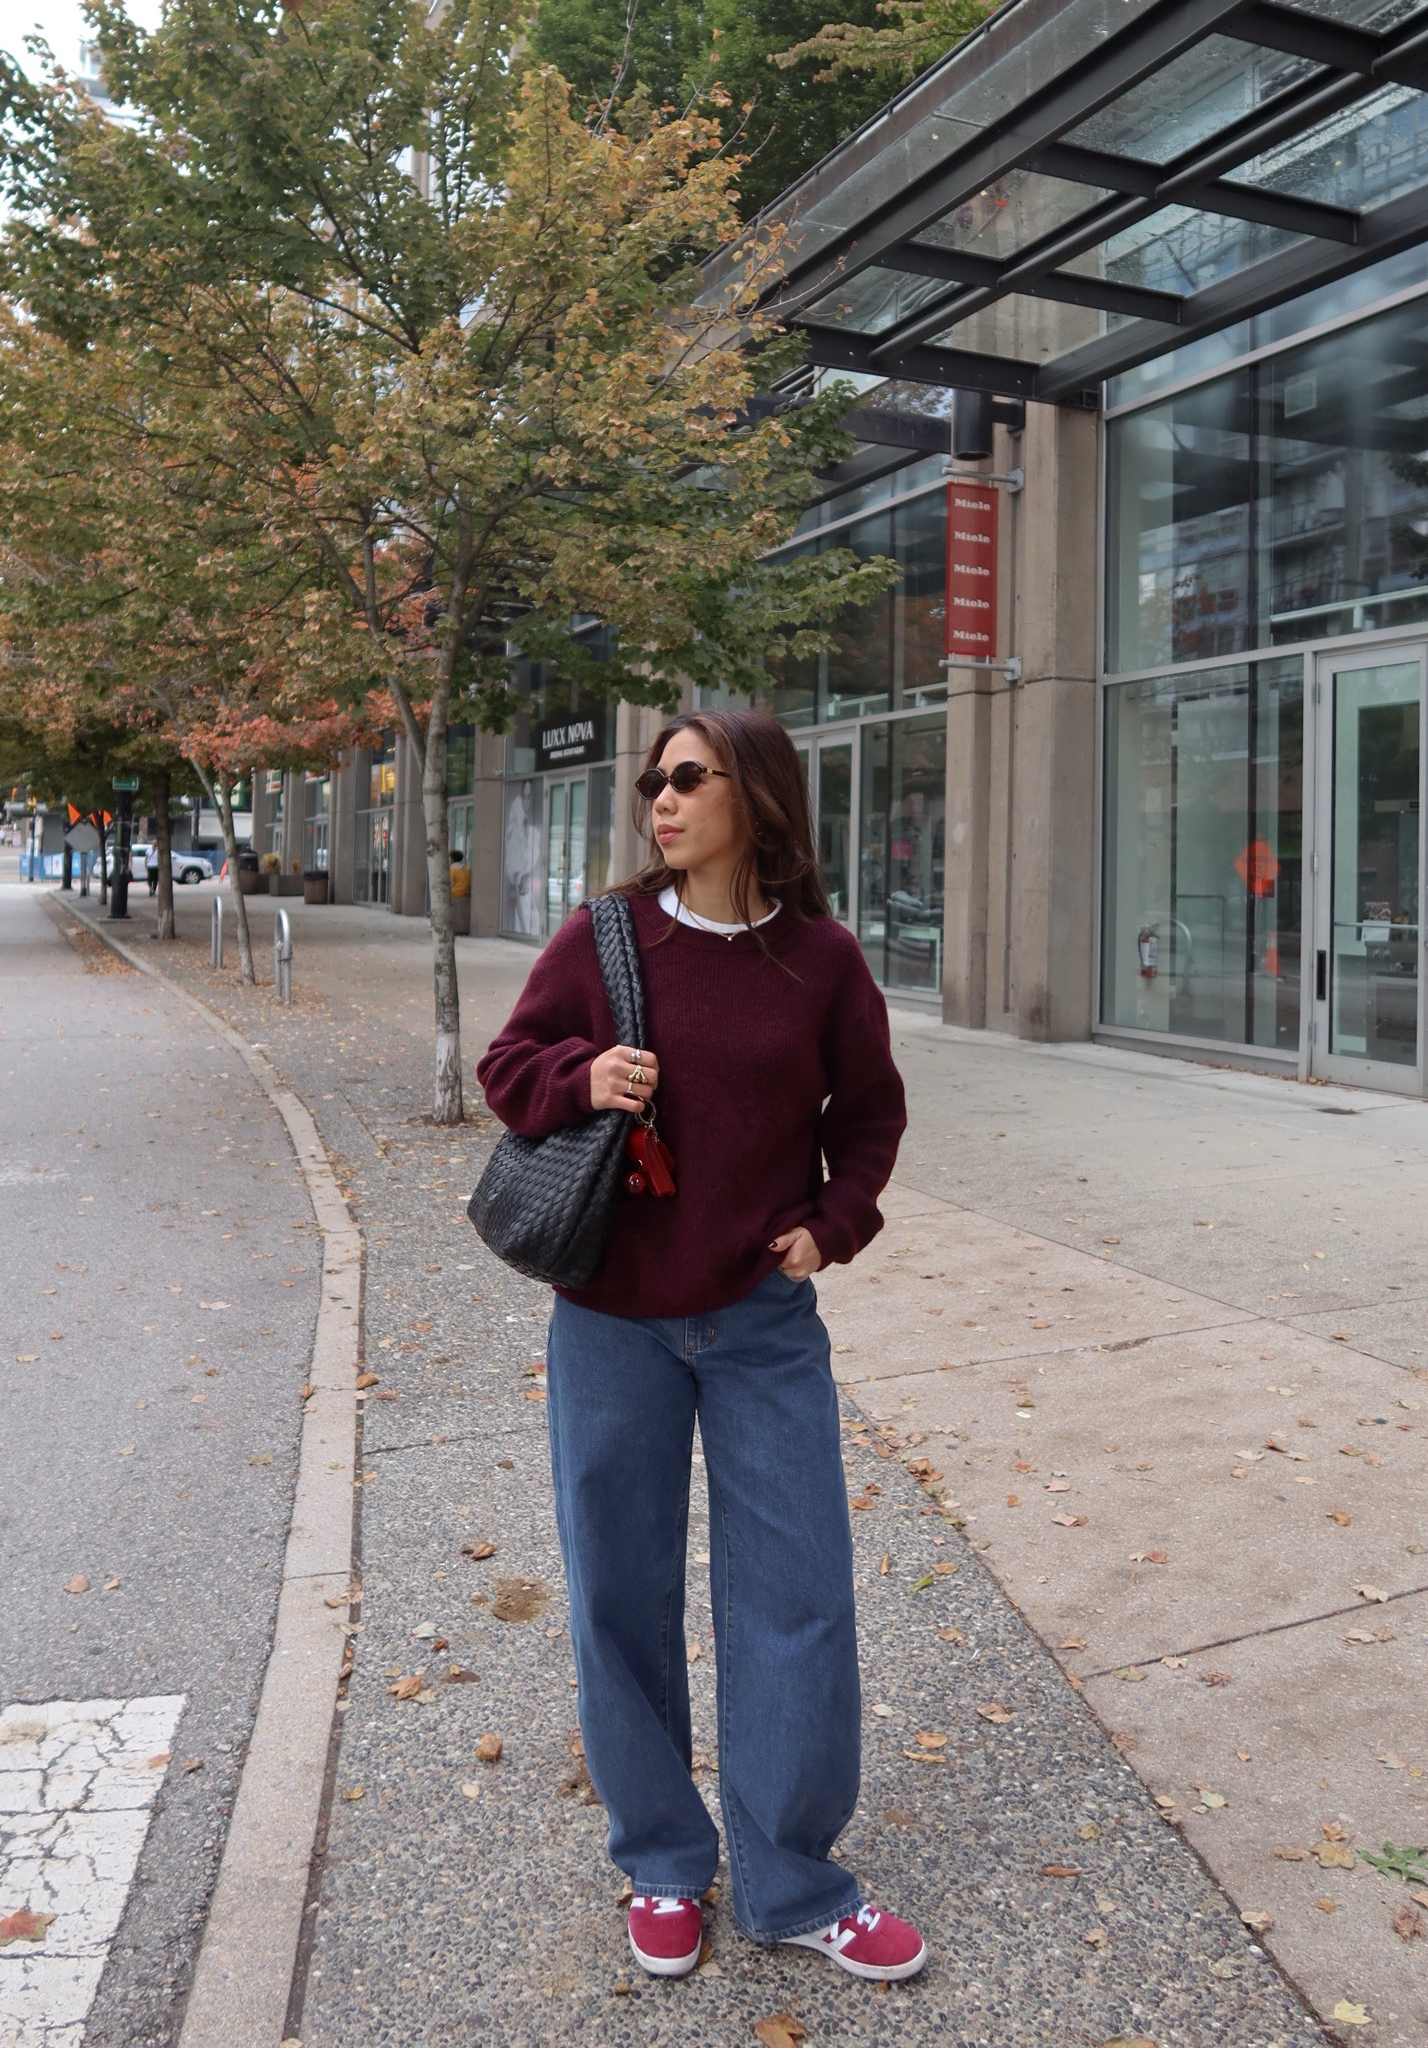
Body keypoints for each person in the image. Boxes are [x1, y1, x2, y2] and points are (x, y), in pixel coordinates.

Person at [477, 709, 923, 1986]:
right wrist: (582, 1079)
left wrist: (831, 1223)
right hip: (610, 1319)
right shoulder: (606, 936)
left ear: (753, 794)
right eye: (650, 781)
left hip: (760, 1325)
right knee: (619, 1593)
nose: (658, 799)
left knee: (797, 1594)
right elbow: (508, 1065)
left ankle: (794, 1879)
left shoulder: (821, 959)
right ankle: (664, 1860)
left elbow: (871, 1113)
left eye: (685, 777)